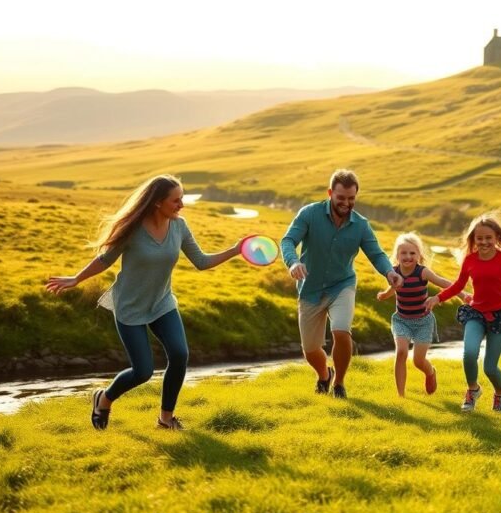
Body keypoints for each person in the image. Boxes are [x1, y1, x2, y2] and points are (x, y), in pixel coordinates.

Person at [46, 174, 244, 431]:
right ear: (157, 202)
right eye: (176, 200)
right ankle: (103, 399)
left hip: (162, 303)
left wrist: (236, 249)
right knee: (142, 371)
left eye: (182, 198)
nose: (181, 204)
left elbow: (202, 262)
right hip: (130, 306)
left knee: (180, 354)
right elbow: (105, 260)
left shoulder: (179, 226)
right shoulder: (133, 229)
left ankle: (165, 419)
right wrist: (77, 278)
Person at [280, 169, 402, 399]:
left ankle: (339, 384)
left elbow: (376, 254)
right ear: (330, 193)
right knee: (311, 350)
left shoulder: (361, 225)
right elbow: (288, 240)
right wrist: (293, 262)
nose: (346, 203)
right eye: (341, 198)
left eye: (351, 198)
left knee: (341, 330)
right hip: (310, 288)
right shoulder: (309, 214)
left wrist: (389, 272)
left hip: (342, 285)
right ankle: (325, 374)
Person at [424, 212, 501, 412]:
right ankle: (473, 390)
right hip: (476, 314)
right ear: (474, 239)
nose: (484, 242)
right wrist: (437, 298)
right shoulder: (470, 260)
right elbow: (458, 286)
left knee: (489, 367)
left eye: (488, 238)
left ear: (496, 238)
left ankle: (500, 392)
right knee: (469, 353)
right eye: (479, 238)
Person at [377, 232, 470, 397]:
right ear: (397, 256)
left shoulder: (422, 272)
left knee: (418, 361)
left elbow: (444, 282)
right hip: (401, 320)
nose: (408, 256)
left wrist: (463, 296)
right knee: (401, 352)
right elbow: (393, 288)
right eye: (403, 253)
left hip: (423, 322)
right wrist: (384, 295)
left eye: (412, 253)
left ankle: (430, 372)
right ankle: (401, 395)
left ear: (419, 255)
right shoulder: (394, 272)